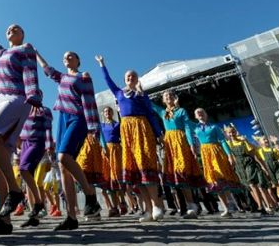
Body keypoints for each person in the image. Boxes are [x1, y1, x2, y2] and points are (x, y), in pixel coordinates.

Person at [0, 22, 41, 236]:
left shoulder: (25, 48)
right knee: (2, 160)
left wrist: (33, 94)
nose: (11, 30)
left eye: (16, 29)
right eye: (9, 30)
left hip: (18, 97)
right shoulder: (4, 52)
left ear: (23, 34)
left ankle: (15, 190)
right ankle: (4, 221)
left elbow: (31, 71)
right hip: (1, 99)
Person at [94, 55, 164, 222]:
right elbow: (108, 80)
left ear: (137, 79)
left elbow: (150, 114)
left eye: (133, 76)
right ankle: (147, 209)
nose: (130, 78)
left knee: (145, 164)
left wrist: (158, 133)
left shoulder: (141, 95)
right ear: (124, 79)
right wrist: (102, 65)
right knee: (135, 170)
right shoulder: (118, 92)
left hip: (141, 128)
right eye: (128, 76)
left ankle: (156, 205)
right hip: (127, 132)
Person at [37, 50, 101, 231]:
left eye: (71, 56)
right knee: (62, 166)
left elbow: (90, 100)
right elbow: (47, 69)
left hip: (78, 117)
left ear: (78, 60)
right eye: (64, 56)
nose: (67, 57)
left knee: (64, 156)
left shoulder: (83, 76)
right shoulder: (62, 77)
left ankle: (90, 194)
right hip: (63, 119)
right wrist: (36, 53)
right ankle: (71, 216)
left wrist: (93, 127)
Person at [149, 89, 204, 219]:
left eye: (170, 95)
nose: (168, 97)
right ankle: (189, 206)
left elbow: (187, 127)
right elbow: (150, 104)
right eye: (165, 96)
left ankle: (192, 205)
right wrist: (139, 91)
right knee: (176, 175)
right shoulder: (163, 112)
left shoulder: (181, 111)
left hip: (180, 141)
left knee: (183, 171)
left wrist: (191, 144)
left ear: (174, 98)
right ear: (163, 100)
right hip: (169, 144)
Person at [193, 108, 240, 217]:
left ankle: (230, 200)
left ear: (206, 114)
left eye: (202, 111)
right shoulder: (194, 127)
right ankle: (226, 208)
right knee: (214, 181)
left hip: (216, 152)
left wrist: (229, 155)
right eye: (197, 112)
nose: (199, 113)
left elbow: (223, 141)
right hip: (205, 155)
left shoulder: (214, 127)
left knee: (222, 177)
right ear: (195, 116)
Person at [17, 90, 54, 228]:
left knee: (23, 169)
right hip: (25, 143)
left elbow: (48, 129)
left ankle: (39, 203)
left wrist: (49, 146)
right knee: (27, 178)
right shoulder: (25, 110)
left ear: (41, 96)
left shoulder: (45, 110)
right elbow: (20, 127)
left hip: (37, 142)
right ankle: (34, 215)